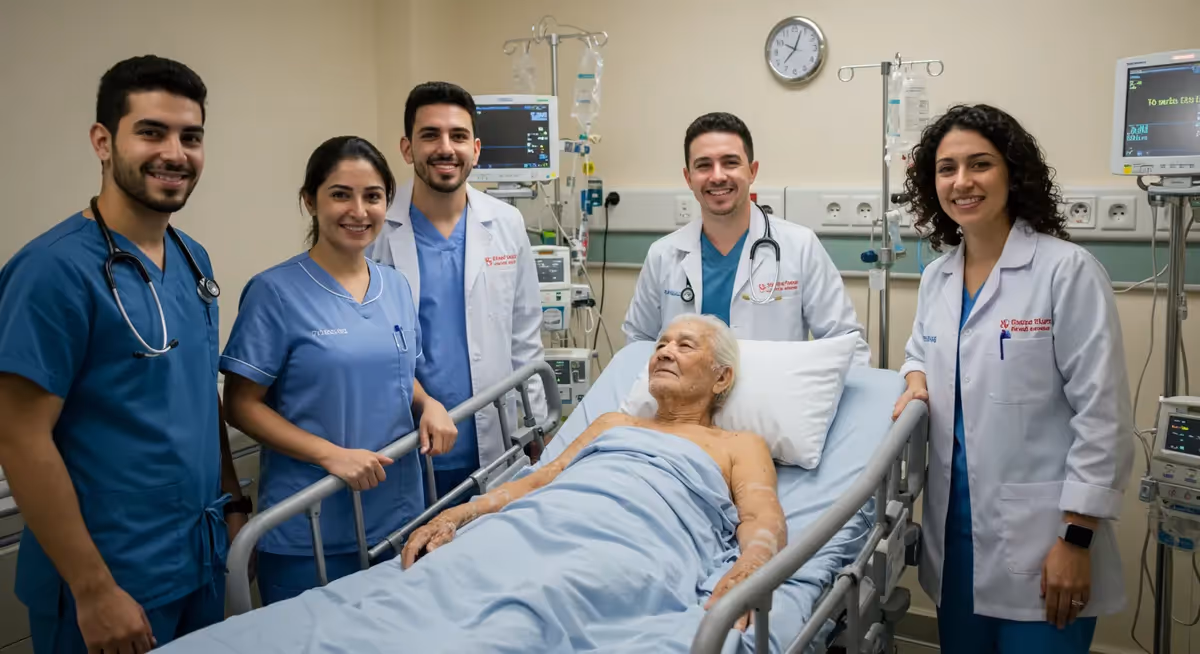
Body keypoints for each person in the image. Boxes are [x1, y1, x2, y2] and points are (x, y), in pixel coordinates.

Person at [0, 55, 248, 653]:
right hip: (110, 582)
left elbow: (198, 397)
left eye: (191, 136)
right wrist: (92, 589)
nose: (175, 152)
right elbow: (18, 437)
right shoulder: (52, 271)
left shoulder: (194, 261)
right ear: (103, 142)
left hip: (198, 558)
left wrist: (235, 503)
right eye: (151, 132)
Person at [892, 104, 1134, 653]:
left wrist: (1076, 538)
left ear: (1012, 172)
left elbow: (1105, 417)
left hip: (1049, 541)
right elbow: (918, 353)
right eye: (946, 169)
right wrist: (913, 380)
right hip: (956, 542)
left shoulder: (1065, 271)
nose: (962, 182)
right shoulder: (937, 277)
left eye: (980, 164)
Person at [403, 314, 786, 632]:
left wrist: (749, 569)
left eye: (684, 346)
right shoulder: (612, 423)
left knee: (539, 605)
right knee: (442, 585)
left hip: (635, 542)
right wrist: (458, 513)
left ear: (721, 378)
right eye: (660, 346)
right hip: (542, 523)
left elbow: (760, 518)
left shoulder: (739, 444)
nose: (665, 353)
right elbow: (540, 480)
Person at [220, 136, 458, 605]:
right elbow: (240, 406)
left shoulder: (395, 286)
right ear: (310, 200)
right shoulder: (274, 292)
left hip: (397, 517)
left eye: (372, 196)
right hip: (310, 526)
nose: (358, 210)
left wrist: (429, 403)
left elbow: (398, 372)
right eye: (339, 194)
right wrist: (329, 454)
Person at [367, 81, 547, 505]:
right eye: (430, 135)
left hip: (494, 441)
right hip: (404, 441)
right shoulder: (376, 229)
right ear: (407, 148)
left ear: (476, 149)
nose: (445, 148)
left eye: (458, 136)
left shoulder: (506, 224)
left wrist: (537, 424)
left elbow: (525, 337)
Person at [622, 112, 870, 366]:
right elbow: (639, 343)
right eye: (703, 165)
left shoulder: (800, 247)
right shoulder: (663, 254)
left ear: (752, 171)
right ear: (688, 178)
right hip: (684, 403)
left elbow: (844, 343)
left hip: (774, 399)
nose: (717, 176)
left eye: (730, 162)